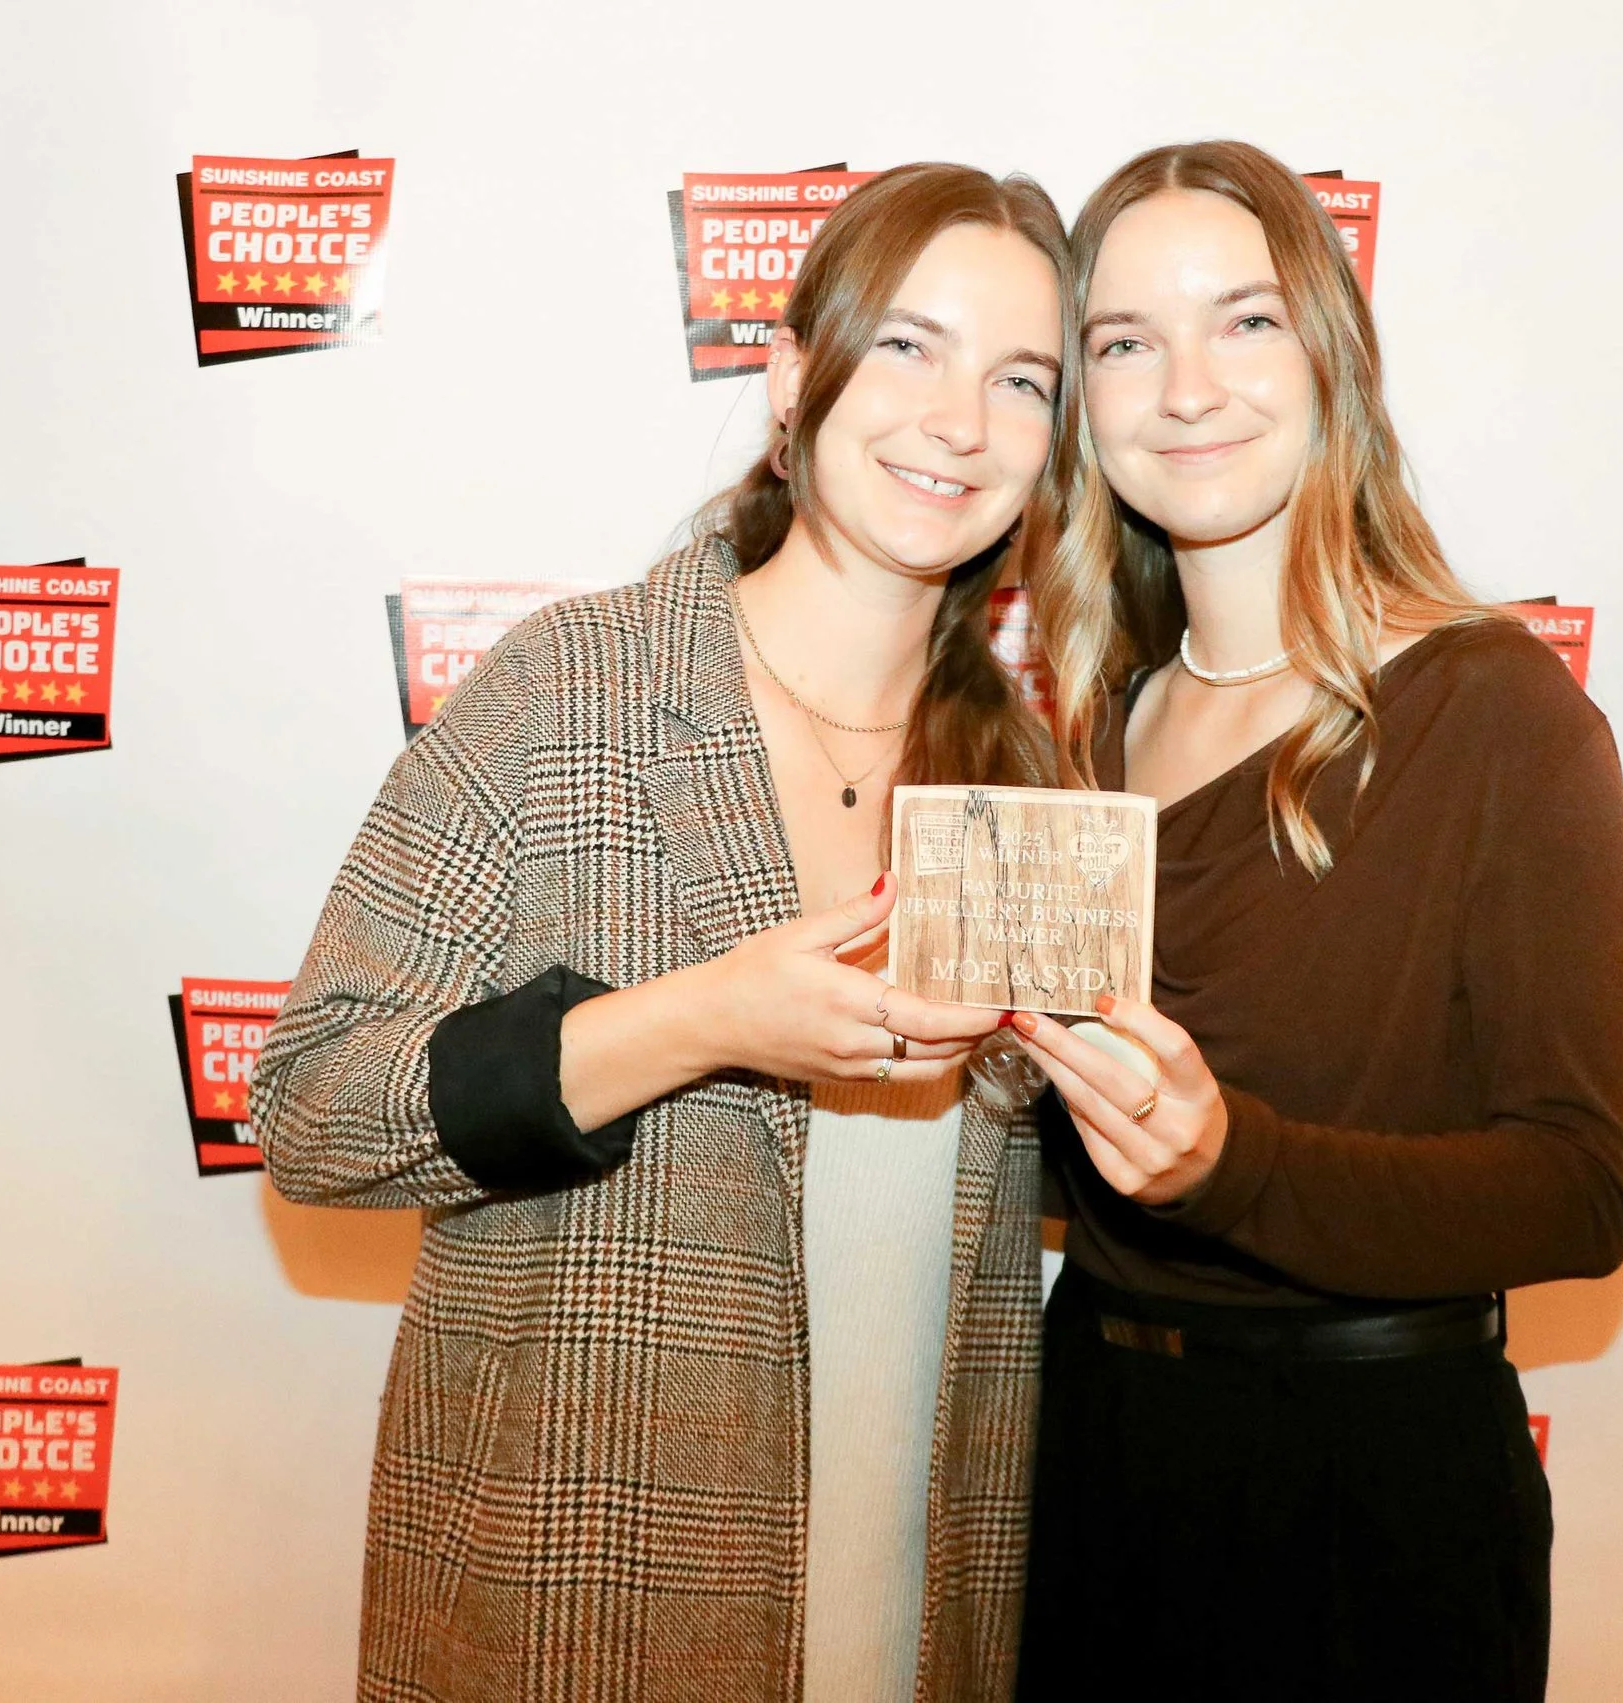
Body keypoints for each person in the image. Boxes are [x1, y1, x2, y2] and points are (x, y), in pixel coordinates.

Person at [253, 161, 1069, 1702]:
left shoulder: (1023, 774)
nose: (960, 418)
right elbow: (311, 1109)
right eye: (907, 345)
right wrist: (700, 1019)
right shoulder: (572, 692)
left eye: (1018, 377)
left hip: (915, 1603)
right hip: (587, 1599)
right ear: (789, 382)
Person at [1011, 140, 1623, 1703]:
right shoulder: (1087, 731)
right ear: (1082, 403)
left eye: (1243, 321)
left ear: (1330, 354)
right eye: (1124, 343)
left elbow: (1579, 1189)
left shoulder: (1495, 712)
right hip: (1096, 1457)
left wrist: (1235, 1165)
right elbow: (1067, 1156)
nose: (1185, 388)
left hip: (1370, 1510)